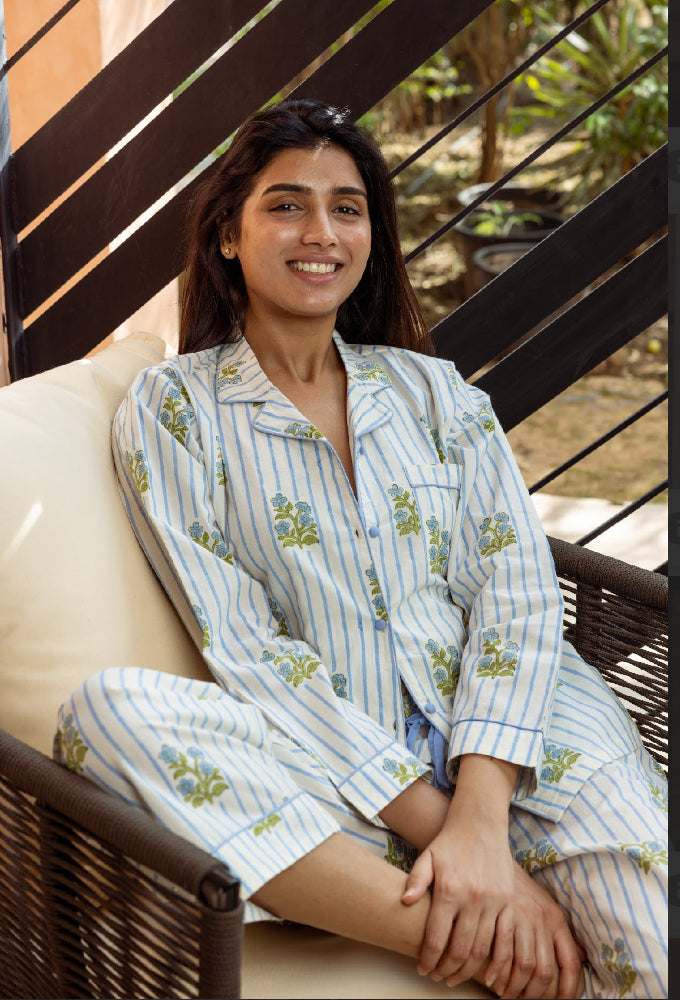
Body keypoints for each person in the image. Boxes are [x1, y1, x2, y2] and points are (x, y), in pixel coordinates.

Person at [55, 99, 667, 999]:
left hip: (525, 746)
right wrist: (443, 833)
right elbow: (248, 649)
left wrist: (481, 820)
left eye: (347, 207)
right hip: (333, 769)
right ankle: (488, 929)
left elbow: (518, 593)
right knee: (105, 714)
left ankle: (492, 901)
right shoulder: (171, 410)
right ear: (229, 232)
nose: (321, 232)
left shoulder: (435, 392)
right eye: (286, 204)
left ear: (371, 233)